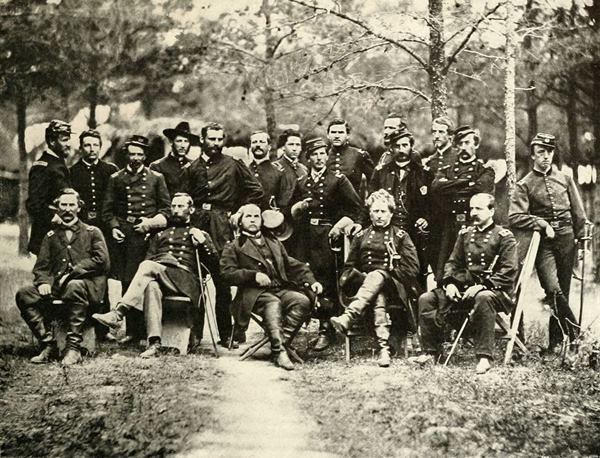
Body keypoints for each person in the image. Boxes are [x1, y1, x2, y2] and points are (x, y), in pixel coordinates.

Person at [92, 193, 218, 357]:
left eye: (181, 206)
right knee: (151, 285)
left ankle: (118, 313)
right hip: (163, 278)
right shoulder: (160, 235)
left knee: (147, 266)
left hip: (186, 281)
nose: (176, 210)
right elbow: (149, 260)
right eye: (173, 206)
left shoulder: (199, 233)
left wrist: (202, 242)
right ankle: (154, 343)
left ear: (191, 210)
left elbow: (214, 264)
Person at [411, 193, 517, 374]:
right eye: (471, 208)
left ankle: (484, 357)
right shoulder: (465, 234)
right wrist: (450, 284)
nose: (473, 213)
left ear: (491, 211)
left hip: (495, 291)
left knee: (483, 297)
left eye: (479, 209)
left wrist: (482, 286)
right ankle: (431, 352)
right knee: (426, 298)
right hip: (465, 287)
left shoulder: (504, 236)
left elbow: (508, 271)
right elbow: (453, 263)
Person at [184, 122, 264, 345]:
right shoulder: (192, 168)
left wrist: (240, 210)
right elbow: (183, 196)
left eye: (220, 139)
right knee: (195, 279)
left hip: (222, 226)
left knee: (223, 281)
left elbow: (256, 190)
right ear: (202, 140)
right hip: (198, 225)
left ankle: (227, 334)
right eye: (212, 139)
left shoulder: (233, 164)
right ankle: (195, 334)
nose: (216, 143)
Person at [508, 133, 588, 349]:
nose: (546, 156)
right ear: (533, 155)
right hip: (543, 243)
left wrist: (582, 241)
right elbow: (515, 216)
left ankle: (555, 343)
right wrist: (541, 223)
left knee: (563, 291)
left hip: (567, 239)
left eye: (549, 152)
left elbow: (578, 213)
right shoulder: (525, 184)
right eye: (541, 152)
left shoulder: (565, 179)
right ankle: (578, 336)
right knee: (552, 289)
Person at [220, 204, 322, 370]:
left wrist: (312, 281)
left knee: (301, 300)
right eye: (248, 216)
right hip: (253, 294)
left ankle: (278, 344)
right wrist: (253, 276)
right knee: (273, 303)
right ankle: (280, 352)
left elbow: (292, 265)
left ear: (262, 221)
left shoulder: (273, 242)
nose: (253, 220)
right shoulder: (234, 246)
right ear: (240, 221)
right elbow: (226, 274)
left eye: (256, 216)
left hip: (279, 289)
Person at [16, 188, 110, 365]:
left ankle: (74, 348)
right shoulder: (51, 236)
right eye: (63, 205)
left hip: (89, 288)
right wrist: (43, 282)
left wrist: (74, 272)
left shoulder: (92, 232)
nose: (67, 209)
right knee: (24, 294)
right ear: (57, 208)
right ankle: (48, 344)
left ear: (79, 207)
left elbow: (102, 261)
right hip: (59, 288)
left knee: (74, 285)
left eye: (71, 205)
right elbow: (41, 267)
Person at [330, 190, 420, 367]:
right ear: (370, 213)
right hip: (365, 287)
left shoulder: (401, 236)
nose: (379, 215)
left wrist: (389, 272)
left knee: (377, 276)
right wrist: (361, 277)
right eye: (375, 211)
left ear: (391, 213)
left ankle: (349, 316)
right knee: (377, 294)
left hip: (394, 287)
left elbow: (412, 268)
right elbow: (348, 267)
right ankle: (384, 350)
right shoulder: (360, 236)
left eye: (383, 211)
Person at [289, 137, 364, 351]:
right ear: (309, 158)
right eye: (315, 154)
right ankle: (306, 322)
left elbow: (357, 209)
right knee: (307, 277)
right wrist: (298, 207)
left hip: (328, 237)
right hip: (306, 236)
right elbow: (290, 211)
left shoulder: (337, 180)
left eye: (322, 153)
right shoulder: (302, 181)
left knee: (327, 280)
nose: (319, 158)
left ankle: (326, 330)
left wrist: (341, 225)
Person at [102, 135, 171, 343]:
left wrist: (150, 223)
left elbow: (166, 209)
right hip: (126, 235)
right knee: (128, 280)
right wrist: (114, 228)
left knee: (148, 282)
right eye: (132, 154)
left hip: (149, 236)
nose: (135, 158)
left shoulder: (156, 178)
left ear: (145, 156)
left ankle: (147, 331)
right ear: (126, 155)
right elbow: (107, 211)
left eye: (139, 154)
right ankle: (132, 332)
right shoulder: (116, 178)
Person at [431, 125, 495, 282]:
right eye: (460, 144)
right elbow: (436, 187)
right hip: (450, 225)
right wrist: (467, 183)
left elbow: (481, 189)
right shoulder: (446, 169)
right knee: (446, 268)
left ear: (476, 144)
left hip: (473, 223)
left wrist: (451, 186)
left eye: (467, 143)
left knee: (473, 266)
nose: (463, 147)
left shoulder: (484, 170)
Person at [369, 128, 432, 286]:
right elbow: (370, 202)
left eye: (405, 145)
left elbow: (432, 204)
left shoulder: (423, 173)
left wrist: (426, 218)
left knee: (416, 270)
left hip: (414, 229)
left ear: (411, 147)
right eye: (397, 146)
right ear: (391, 148)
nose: (401, 149)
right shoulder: (380, 172)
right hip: (388, 228)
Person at [26, 120, 73, 255]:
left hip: (60, 235)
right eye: (64, 140)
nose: (69, 143)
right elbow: (34, 203)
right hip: (46, 236)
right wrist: (52, 216)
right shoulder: (43, 166)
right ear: (52, 141)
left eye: (69, 139)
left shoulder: (58, 164)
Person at [70, 129, 119, 230]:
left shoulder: (111, 170)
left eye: (95, 145)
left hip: (106, 224)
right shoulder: (72, 172)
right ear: (80, 148)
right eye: (87, 145)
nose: (92, 149)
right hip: (81, 224)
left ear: (100, 147)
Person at [326, 118, 374, 197]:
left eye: (341, 132)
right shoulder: (322, 155)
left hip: (352, 203)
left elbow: (373, 182)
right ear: (328, 135)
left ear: (347, 135)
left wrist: (369, 199)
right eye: (333, 132)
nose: (337, 136)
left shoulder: (359, 155)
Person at [150, 121, 199, 196]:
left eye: (186, 141)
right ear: (171, 142)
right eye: (179, 141)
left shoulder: (194, 165)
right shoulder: (157, 166)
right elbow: (154, 194)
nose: (183, 145)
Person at [248, 130, 289, 209]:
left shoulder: (278, 173)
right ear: (250, 146)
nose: (258, 145)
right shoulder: (244, 171)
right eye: (254, 142)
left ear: (269, 147)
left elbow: (283, 203)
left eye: (262, 142)